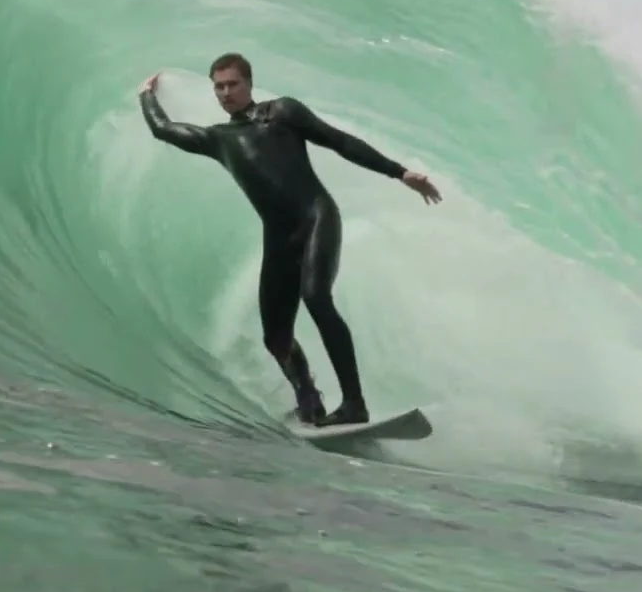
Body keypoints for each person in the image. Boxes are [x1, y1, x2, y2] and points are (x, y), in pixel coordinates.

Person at [137, 52, 442, 427]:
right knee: (276, 337)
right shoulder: (218, 139)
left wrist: (400, 172)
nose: (226, 92)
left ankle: (354, 403)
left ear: (249, 82)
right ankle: (308, 400)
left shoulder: (282, 113)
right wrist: (146, 96)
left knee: (316, 297)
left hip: (316, 218)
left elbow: (339, 141)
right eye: (219, 86)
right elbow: (163, 129)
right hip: (279, 238)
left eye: (233, 83)